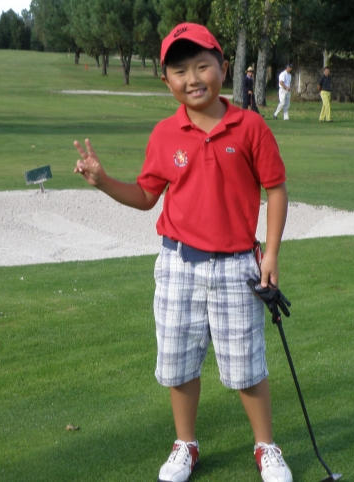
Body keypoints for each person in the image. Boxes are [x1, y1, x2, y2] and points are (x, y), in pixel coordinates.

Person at [73, 23, 292, 482]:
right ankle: (185, 445)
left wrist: (270, 254)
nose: (193, 78)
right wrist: (103, 181)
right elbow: (146, 195)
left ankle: (266, 447)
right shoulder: (165, 134)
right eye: (180, 70)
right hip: (177, 263)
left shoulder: (250, 126)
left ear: (222, 68)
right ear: (166, 80)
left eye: (202, 66)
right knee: (178, 360)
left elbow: (275, 190)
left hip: (237, 266)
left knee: (246, 364)